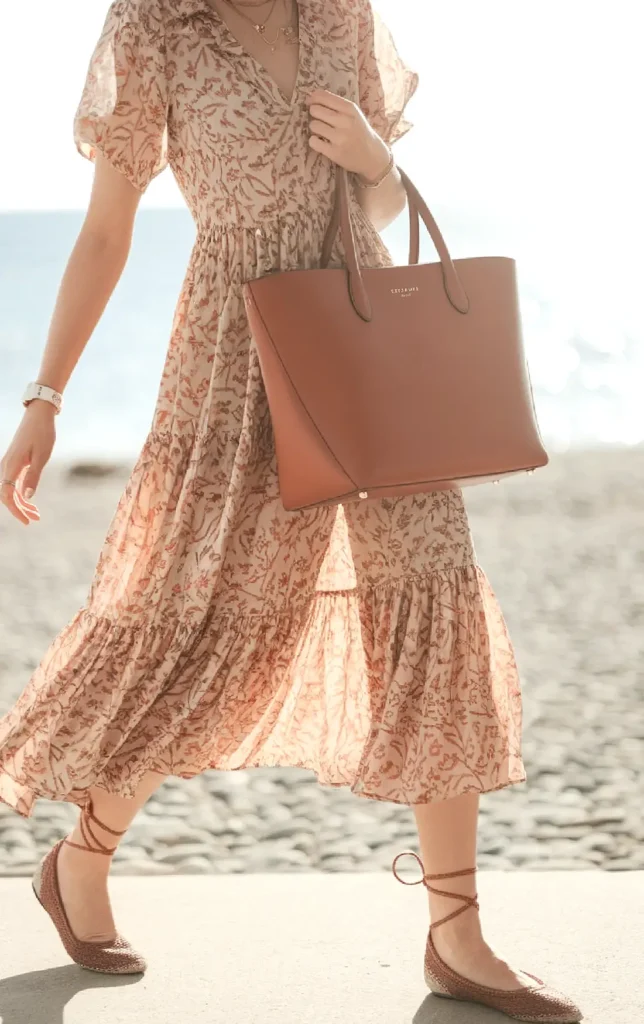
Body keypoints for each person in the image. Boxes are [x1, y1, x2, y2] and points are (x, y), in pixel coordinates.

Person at [0, 0, 580, 1019]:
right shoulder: (153, 29)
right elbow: (105, 229)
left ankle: (457, 934)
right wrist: (43, 400)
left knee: (430, 606)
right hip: (233, 361)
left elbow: (388, 204)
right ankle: (81, 860)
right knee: (207, 628)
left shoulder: (339, 13)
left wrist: (369, 156)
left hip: (366, 349)